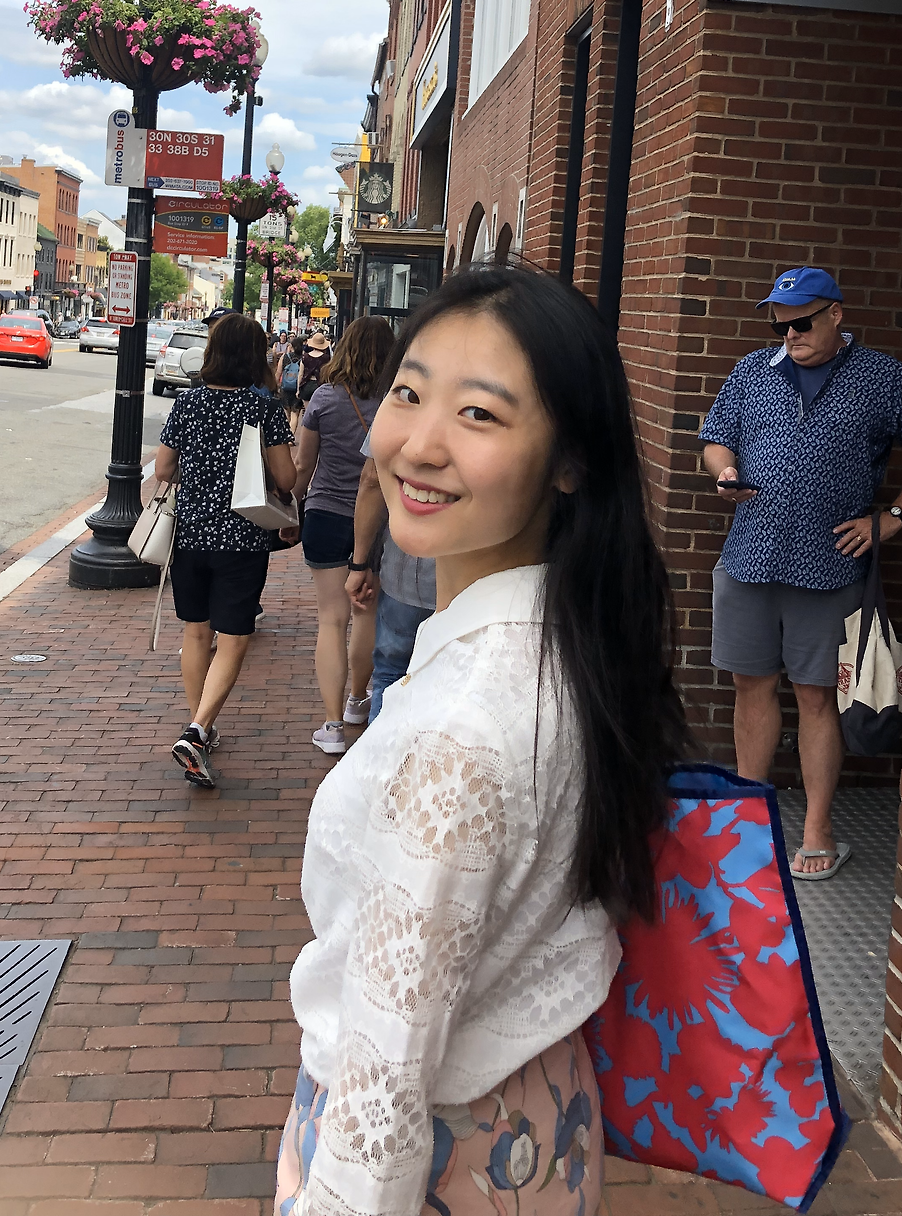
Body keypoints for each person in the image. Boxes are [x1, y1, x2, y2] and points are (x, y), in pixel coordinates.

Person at [278, 264, 687, 1215]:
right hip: (543, 1119)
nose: (420, 445)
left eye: (479, 415)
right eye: (409, 394)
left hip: (439, 1161)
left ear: (569, 460)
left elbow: (384, 1084)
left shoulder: (458, 731)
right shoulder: (570, 643)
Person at [699, 265, 902, 881]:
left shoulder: (883, 378)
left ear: (836, 314)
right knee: (751, 688)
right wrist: (724, 471)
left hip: (829, 565)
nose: (790, 334)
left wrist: (893, 519)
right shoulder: (754, 371)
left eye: (801, 322)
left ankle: (817, 830)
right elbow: (715, 439)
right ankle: (749, 822)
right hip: (750, 557)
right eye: (780, 323)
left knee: (816, 695)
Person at [155, 313, 295, 789]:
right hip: (242, 538)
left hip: (190, 535)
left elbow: (163, 469)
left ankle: (201, 727)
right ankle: (197, 731)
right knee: (233, 638)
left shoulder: (188, 401)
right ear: (255, 357)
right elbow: (287, 478)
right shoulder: (263, 408)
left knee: (197, 632)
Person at [291, 316, 394, 754]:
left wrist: (291, 506)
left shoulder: (323, 398)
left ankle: (332, 726)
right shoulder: (395, 403)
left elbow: (303, 465)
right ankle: (357, 700)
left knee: (331, 620)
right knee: (367, 613)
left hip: (326, 515)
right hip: (378, 523)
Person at [346, 454, 436, 719]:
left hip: (406, 572)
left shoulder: (395, 425)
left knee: (390, 673)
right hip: (472, 578)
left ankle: (379, 743)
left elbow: (371, 479)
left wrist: (359, 564)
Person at [297, 329, 331, 403]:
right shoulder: (326, 358)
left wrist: (298, 389)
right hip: (320, 386)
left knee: (307, 409)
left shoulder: (305, 357)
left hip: (306, 385)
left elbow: (300, 374)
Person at [278, 335, 304, 427]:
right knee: (295, 414)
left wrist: (276, 385)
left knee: (286, 413)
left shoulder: (285, 357)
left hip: (285, 388)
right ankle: (292, 433)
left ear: (291, 346)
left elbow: (278, 372)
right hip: (297, 388)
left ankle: (286, 433)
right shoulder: (303, 358)